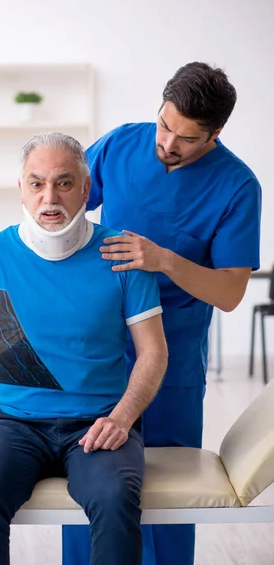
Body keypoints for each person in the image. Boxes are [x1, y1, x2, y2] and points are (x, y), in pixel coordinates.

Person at [0, 132, 168, 565]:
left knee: (115, 496)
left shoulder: (122, 255)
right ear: (22, 191)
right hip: (13, 424)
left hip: (99, 423)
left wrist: (122, 418)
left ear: (86, 189)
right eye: (37, 183)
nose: (50, 197)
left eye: (64, 183)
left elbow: (154, 352)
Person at [62, 62, 262, 565]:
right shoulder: (123, 145)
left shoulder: (238, 187)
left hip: (170, 362)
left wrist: (166, 261)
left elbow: (231, 292)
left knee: (168, 494)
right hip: (99, 353)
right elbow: (65, 206)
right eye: (165, 124)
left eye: (187, 138)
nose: (169, 143)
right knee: (88, 481)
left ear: (215, 134)